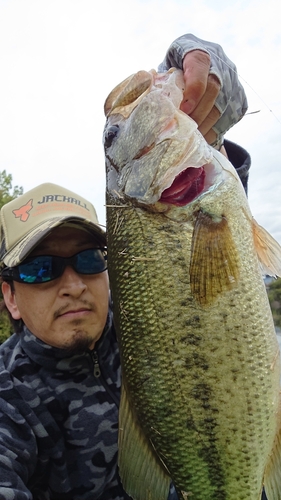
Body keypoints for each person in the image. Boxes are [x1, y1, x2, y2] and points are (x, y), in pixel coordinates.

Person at [0, 34, 256, 499]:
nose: (73, 283)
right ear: (10, 297)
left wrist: (193, 59)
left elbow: (228, 105)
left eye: (89, 257)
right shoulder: (7, 398)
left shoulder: (150, 316)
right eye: (40, 269)